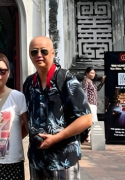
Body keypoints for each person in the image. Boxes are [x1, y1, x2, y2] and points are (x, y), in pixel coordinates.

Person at [23, 36, 92, 180]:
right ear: (30, 55)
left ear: (53, 53)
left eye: (44, 51)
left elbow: (86, 119)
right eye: (34, 52)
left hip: (63, 159)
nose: (39, 55)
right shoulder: (29, 83)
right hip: (37, 160)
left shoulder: (66, 79)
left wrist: (56, 138)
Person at [81, 67, 104, 143]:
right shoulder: (86, 81)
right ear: (87, 73)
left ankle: (88, 136)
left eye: (94, 73)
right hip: (90, 103)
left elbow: (96, 89)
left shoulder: (90, 81)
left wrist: (102, 82)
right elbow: (84, 92)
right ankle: (91, 136)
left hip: (93, 103)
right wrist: (86, 103)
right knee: (94, 120)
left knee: (92, 120)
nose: (93, 74)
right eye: (91, 73)